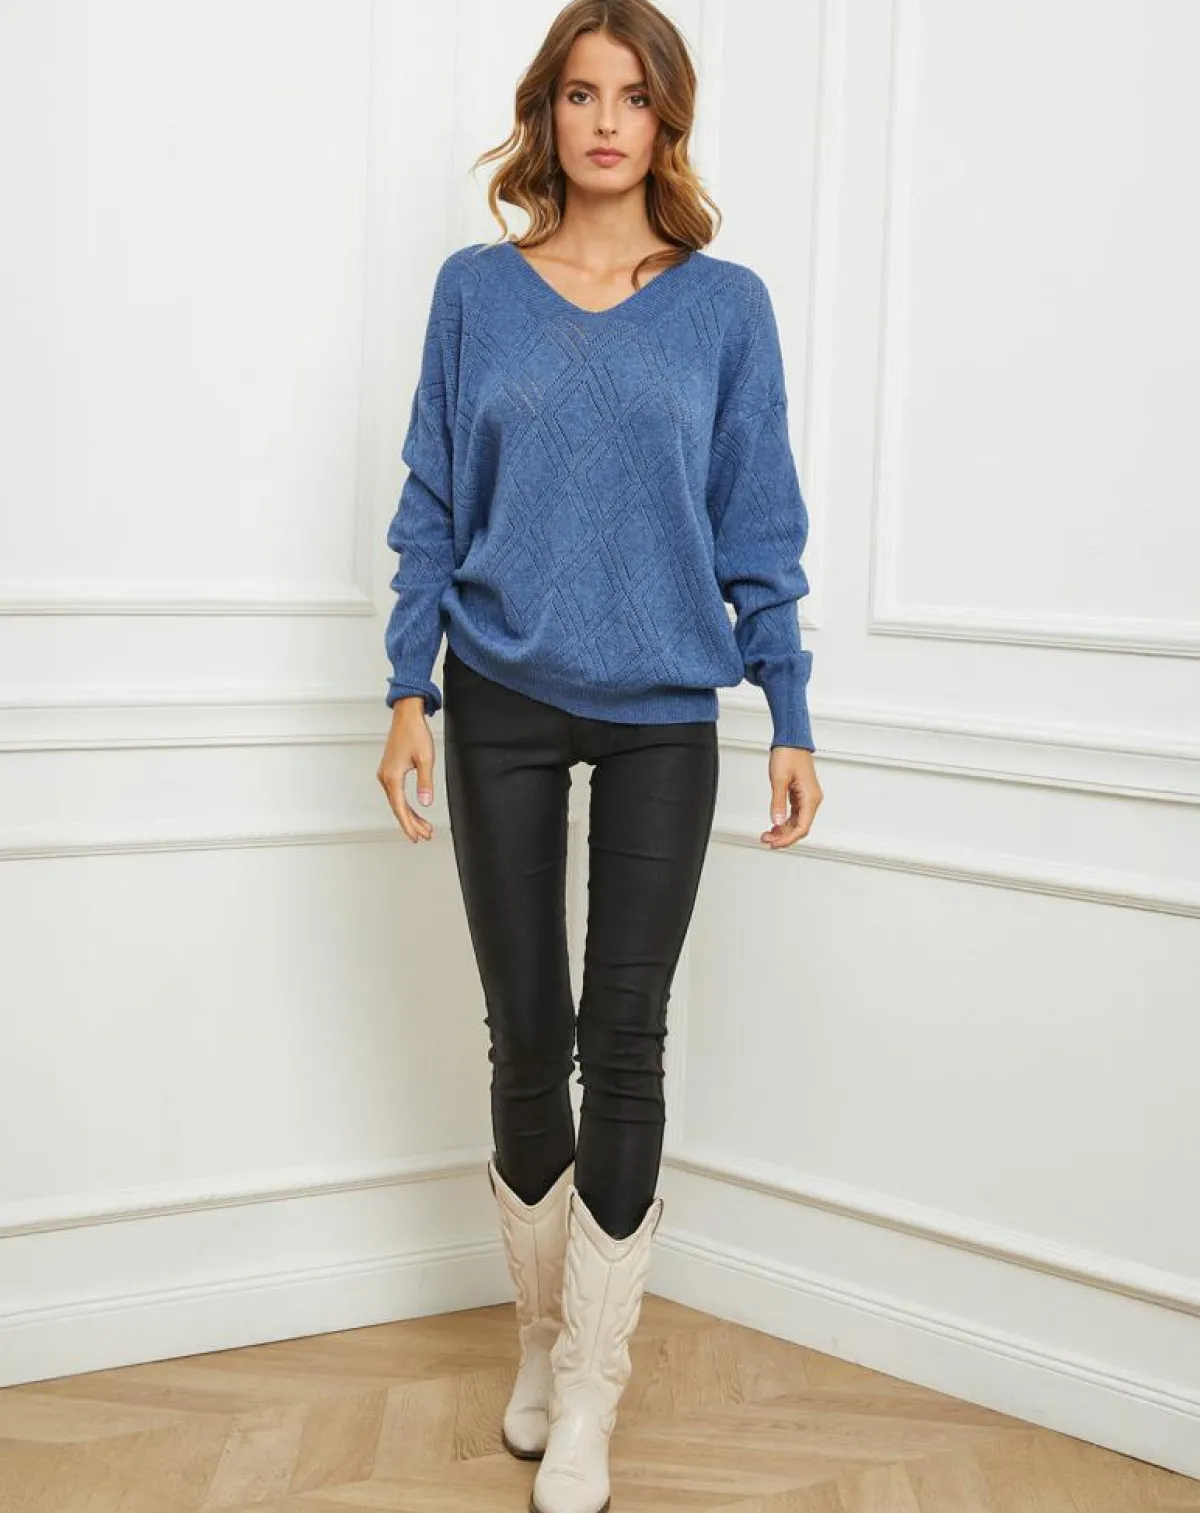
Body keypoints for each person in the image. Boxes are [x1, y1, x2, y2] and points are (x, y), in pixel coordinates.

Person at [377, 4, 822, 1509]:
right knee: (526, 1031)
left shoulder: (725, 307)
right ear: (547, 114)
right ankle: (536, 1330)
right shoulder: (475, 292)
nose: (607, 121)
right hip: (497, 692)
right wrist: (406, 690)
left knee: (624, 1035)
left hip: (666, 713)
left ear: (667, 119)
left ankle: (591, 1387)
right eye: (581, 93)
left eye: (634, 96)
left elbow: (759, 517)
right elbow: (432, 499)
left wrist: (791, 709)